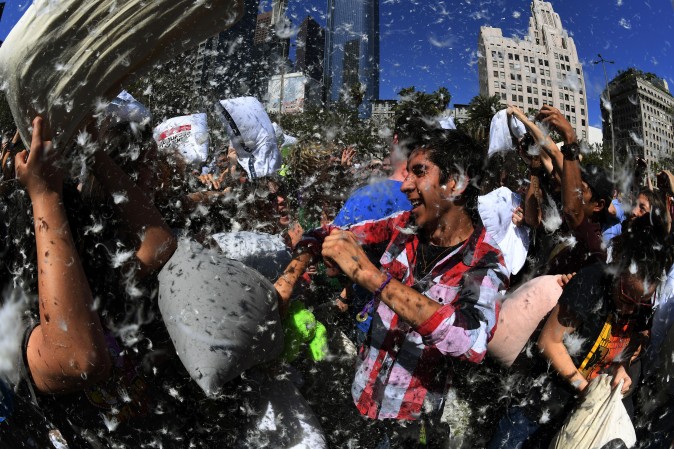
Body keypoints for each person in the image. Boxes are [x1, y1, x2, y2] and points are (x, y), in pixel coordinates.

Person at [275, 129, 509, 447]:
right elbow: (323, 234)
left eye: (420, 172)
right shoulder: (401, 226)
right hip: (362, 397)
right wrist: (287, 283)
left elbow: (469, 341)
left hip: (412, 424)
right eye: (408, 171)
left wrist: (372, 277)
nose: (405, 185)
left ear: (456, 183)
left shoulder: (487, 260)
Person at [488, 212, 671, 449]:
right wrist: (586, 390)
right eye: (626, 295)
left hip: (580, 421)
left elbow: (634, 343)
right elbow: (549, 342)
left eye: (641, 300)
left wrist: (622, 368)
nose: (631, 307)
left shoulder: (642, 304)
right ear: (618, 267)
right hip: (540, 407)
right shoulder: (590, 283)